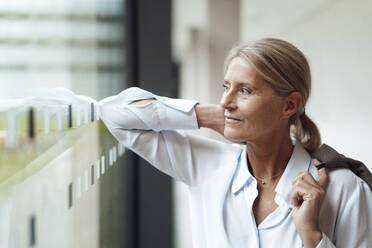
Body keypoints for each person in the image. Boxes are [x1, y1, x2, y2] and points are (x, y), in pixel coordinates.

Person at [98, 38, 371, 247]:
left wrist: (312, 236)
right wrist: (207, 116)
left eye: (244, 90)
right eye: (225, 87)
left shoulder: (343, 189)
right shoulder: (208, 165)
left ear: (289, 105)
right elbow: (114, 114)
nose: (226, 102)